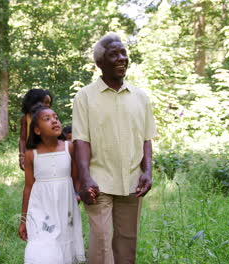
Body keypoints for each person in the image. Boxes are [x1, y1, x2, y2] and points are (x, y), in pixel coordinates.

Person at [72, 33, 157, 263]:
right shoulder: (85, 97)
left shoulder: (141, 97)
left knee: (127, 242)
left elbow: (147, 139)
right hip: (98, 183)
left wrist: (147, 172)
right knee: (101, 242)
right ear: (100, 63)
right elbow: (81, 140)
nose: (121, 58)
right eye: (114, 55)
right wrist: (84, 178)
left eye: (123, 53)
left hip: (132, 181)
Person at [19, 105, 85, 264]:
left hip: (65, 206)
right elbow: (28, 188)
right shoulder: (31, 154)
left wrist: (77, 195)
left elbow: (76, 178)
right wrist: (23, 220)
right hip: (41, 207)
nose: (54, 121)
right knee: (41, 244)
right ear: (37, 130)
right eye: (47, 119)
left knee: (63, 244)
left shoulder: (69, 147)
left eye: (56, 117)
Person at [19, 89, 53, 170]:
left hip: (47, 155)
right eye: (45, 102)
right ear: (34, 102)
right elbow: (23, 139)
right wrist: (21, 157)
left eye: (49, 103)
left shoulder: (50, 118)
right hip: (31, 155)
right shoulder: (25, 119)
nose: (48, 105)